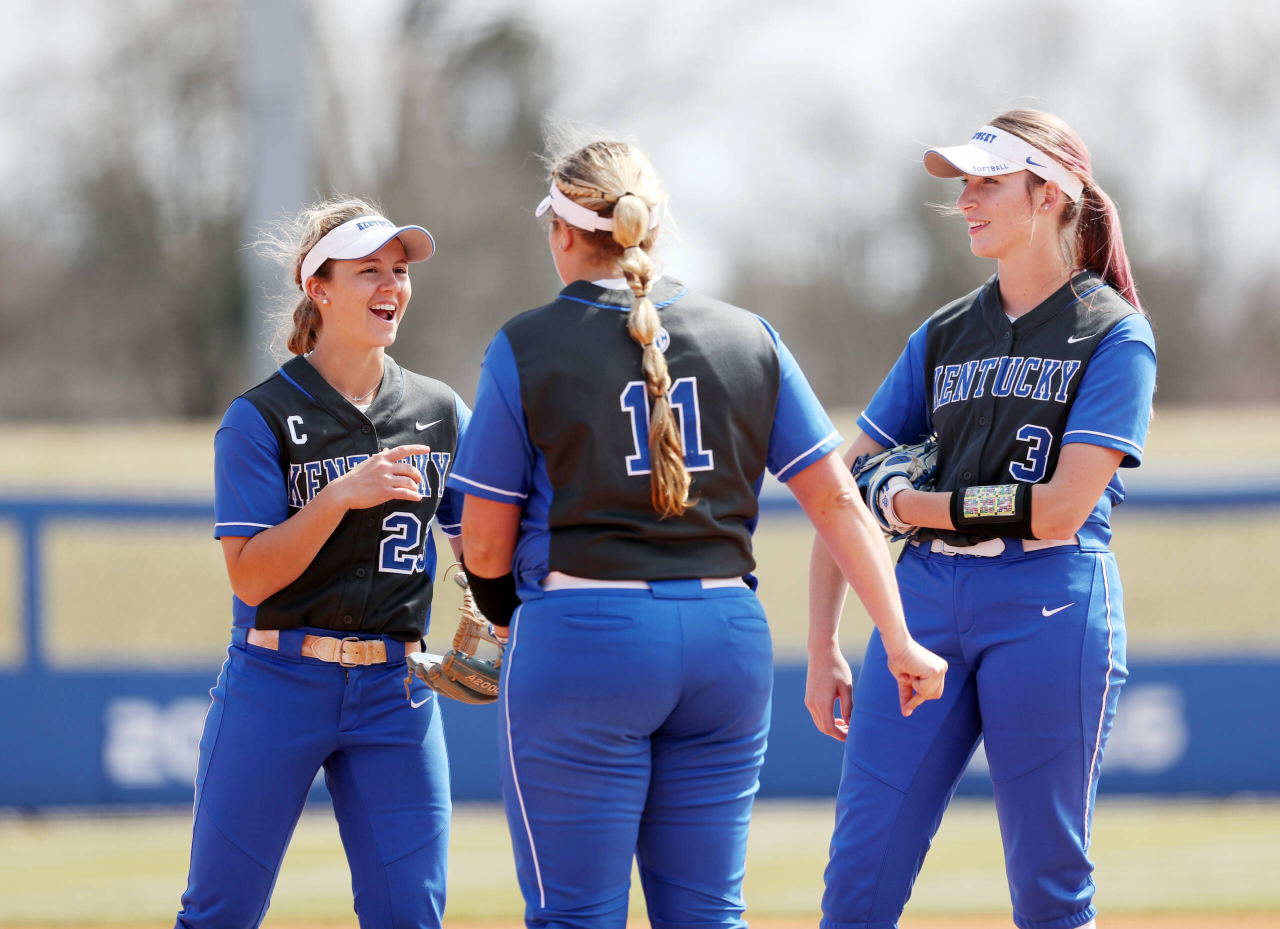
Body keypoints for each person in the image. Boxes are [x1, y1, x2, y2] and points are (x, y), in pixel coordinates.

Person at [447, 138, 947, 929]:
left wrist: (505, 622)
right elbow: (840, 502)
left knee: (574, 916)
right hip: (726, 640)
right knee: (708, 915)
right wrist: (898, 636)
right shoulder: (750, 335)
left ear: (566, 233)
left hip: (585, 633)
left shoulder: (525, 345)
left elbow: (482, 548)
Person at [809, 110, 1158, 929]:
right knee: (858, 879)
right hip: (924, 598)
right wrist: (824, 638)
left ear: (1052, 194)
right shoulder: (942, 335)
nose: (965, 198)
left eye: (988, 181)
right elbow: (837, 484)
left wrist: (910, 504)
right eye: (963, 183)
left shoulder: (1114, 333)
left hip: (1050, 600)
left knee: (1048, 886)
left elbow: (1065, 506)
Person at [175, 197, 471, 928]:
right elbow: (250, 575)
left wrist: (489, 618)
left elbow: (483, 545)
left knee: (410, 915)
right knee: (219, 912)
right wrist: (342, 495)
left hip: (396, 691)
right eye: (368, 269)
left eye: (399, 270)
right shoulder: (261, 417)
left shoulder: (440, 410)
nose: (391, 286)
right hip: (278, 678)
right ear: (319, 287)